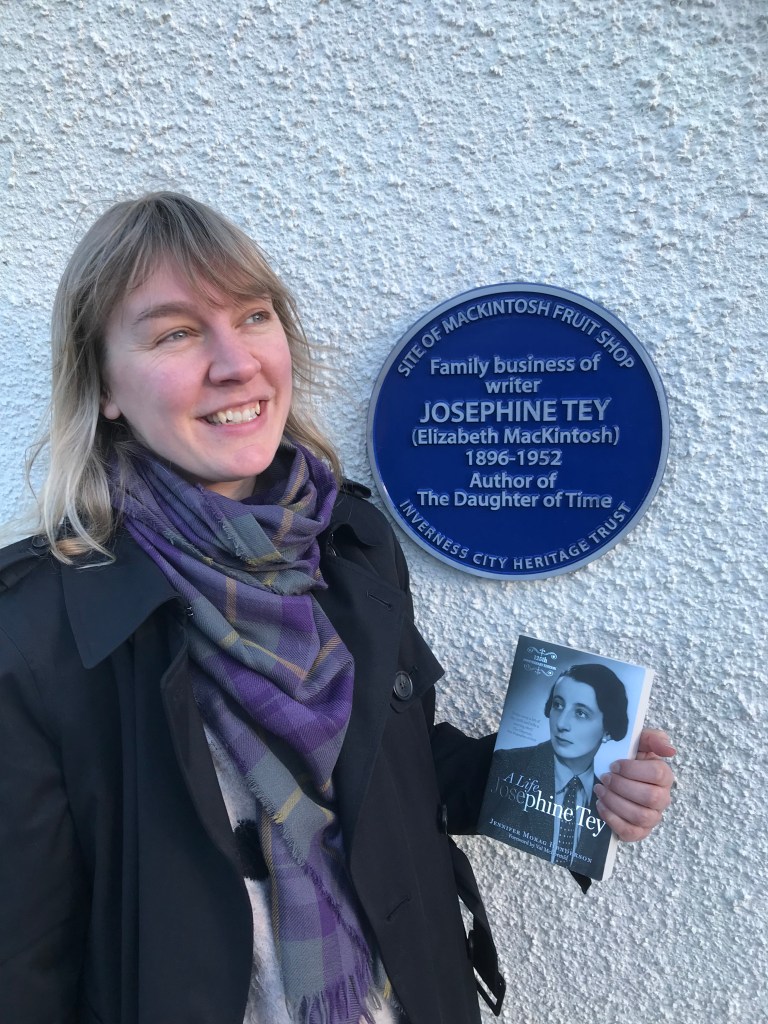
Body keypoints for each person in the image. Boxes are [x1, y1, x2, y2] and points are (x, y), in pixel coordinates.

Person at [0, 193, 676, 1024]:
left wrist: (582, 784)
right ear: (102, 382)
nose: (235, 362)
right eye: (175, 332)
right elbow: (24, 956)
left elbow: (399, 771)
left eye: (253, 315)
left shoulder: (351, 546)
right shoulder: (36, 625)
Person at [481, 664, 633, 876]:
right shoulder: (507, 764)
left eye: (581, 713)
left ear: (607, 729)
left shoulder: (608, 800)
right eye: (558, 705)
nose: (561, 723)